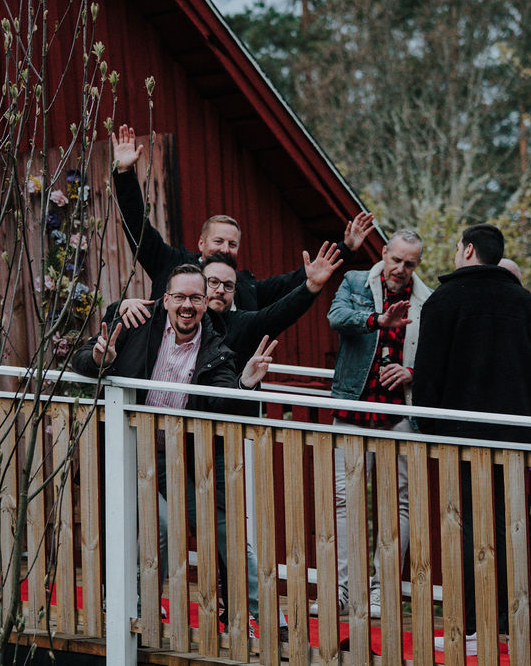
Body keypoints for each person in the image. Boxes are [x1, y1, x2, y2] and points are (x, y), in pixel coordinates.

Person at [71, 264, 286, 638]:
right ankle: (134, 606)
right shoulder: (137, 321)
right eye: (180, 297)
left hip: (171, 456)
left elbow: (221, 402)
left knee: (219, 523)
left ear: (206, 302)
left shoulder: (215, 347)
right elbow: (84, 356)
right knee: (158, 523)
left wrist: (245, 384)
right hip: (124, 445)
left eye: (196, 298)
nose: (188, 305)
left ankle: (264, 615)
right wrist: (100, 360)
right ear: (166, 299)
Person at [413, 223, 531, 656]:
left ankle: (471, 627)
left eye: (458, 246)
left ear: (468, 250)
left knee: (463, 526)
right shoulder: (524, 304)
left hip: (459, 437)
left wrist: (431, 428)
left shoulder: (443, 301)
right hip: (515, 439)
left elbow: (427, 376)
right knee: (513, 525)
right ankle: (514, 625)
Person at [110, 124, 375, 310]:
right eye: (218, 241)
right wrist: (124, 174)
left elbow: (294, 281)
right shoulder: (169, 264)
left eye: (232, 244)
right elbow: (136, 226)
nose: (225, 249)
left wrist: (347, 248)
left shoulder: (246, 287)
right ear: (201, 243)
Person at [313, 229, 431, 619]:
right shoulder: (355, 282)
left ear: (417, 264)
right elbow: (336, 317)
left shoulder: (426, 300)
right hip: (353, 406)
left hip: (400, 413)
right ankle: (341, 589)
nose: (400, 268)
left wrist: (413, 372)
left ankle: (382, 590)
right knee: (343, 499)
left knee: (398, 502)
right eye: (395, 259)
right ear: (383, 253)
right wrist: (377, 320)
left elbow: (437, 354)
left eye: (409, 263)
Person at [115, 242, 344, 370]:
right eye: (213, 282)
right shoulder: (168, 312)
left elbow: (278, 314)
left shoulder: (239, 324)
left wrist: (311, 286)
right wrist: (122, 305)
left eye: (228, 285)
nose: (220, 290)